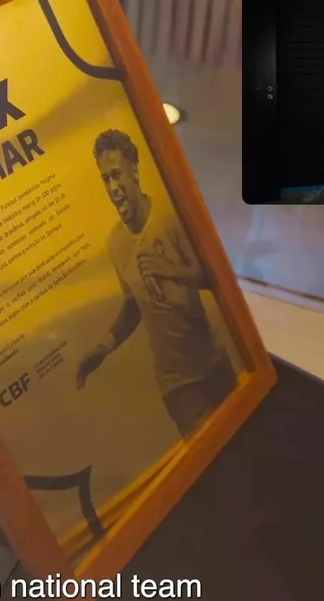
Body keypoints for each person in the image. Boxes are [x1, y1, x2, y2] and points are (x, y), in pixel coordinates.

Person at [75, 130, 236, 437]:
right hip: (178, 385)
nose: (113, 188)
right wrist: (102, 349)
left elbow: (212, 276)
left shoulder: (169, 215)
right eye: (106, 179)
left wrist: (168, 269)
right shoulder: (115, 244)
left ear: (134, 171)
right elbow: (133, 306)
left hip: (215, 362)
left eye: (117, 175)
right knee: (214, 456)